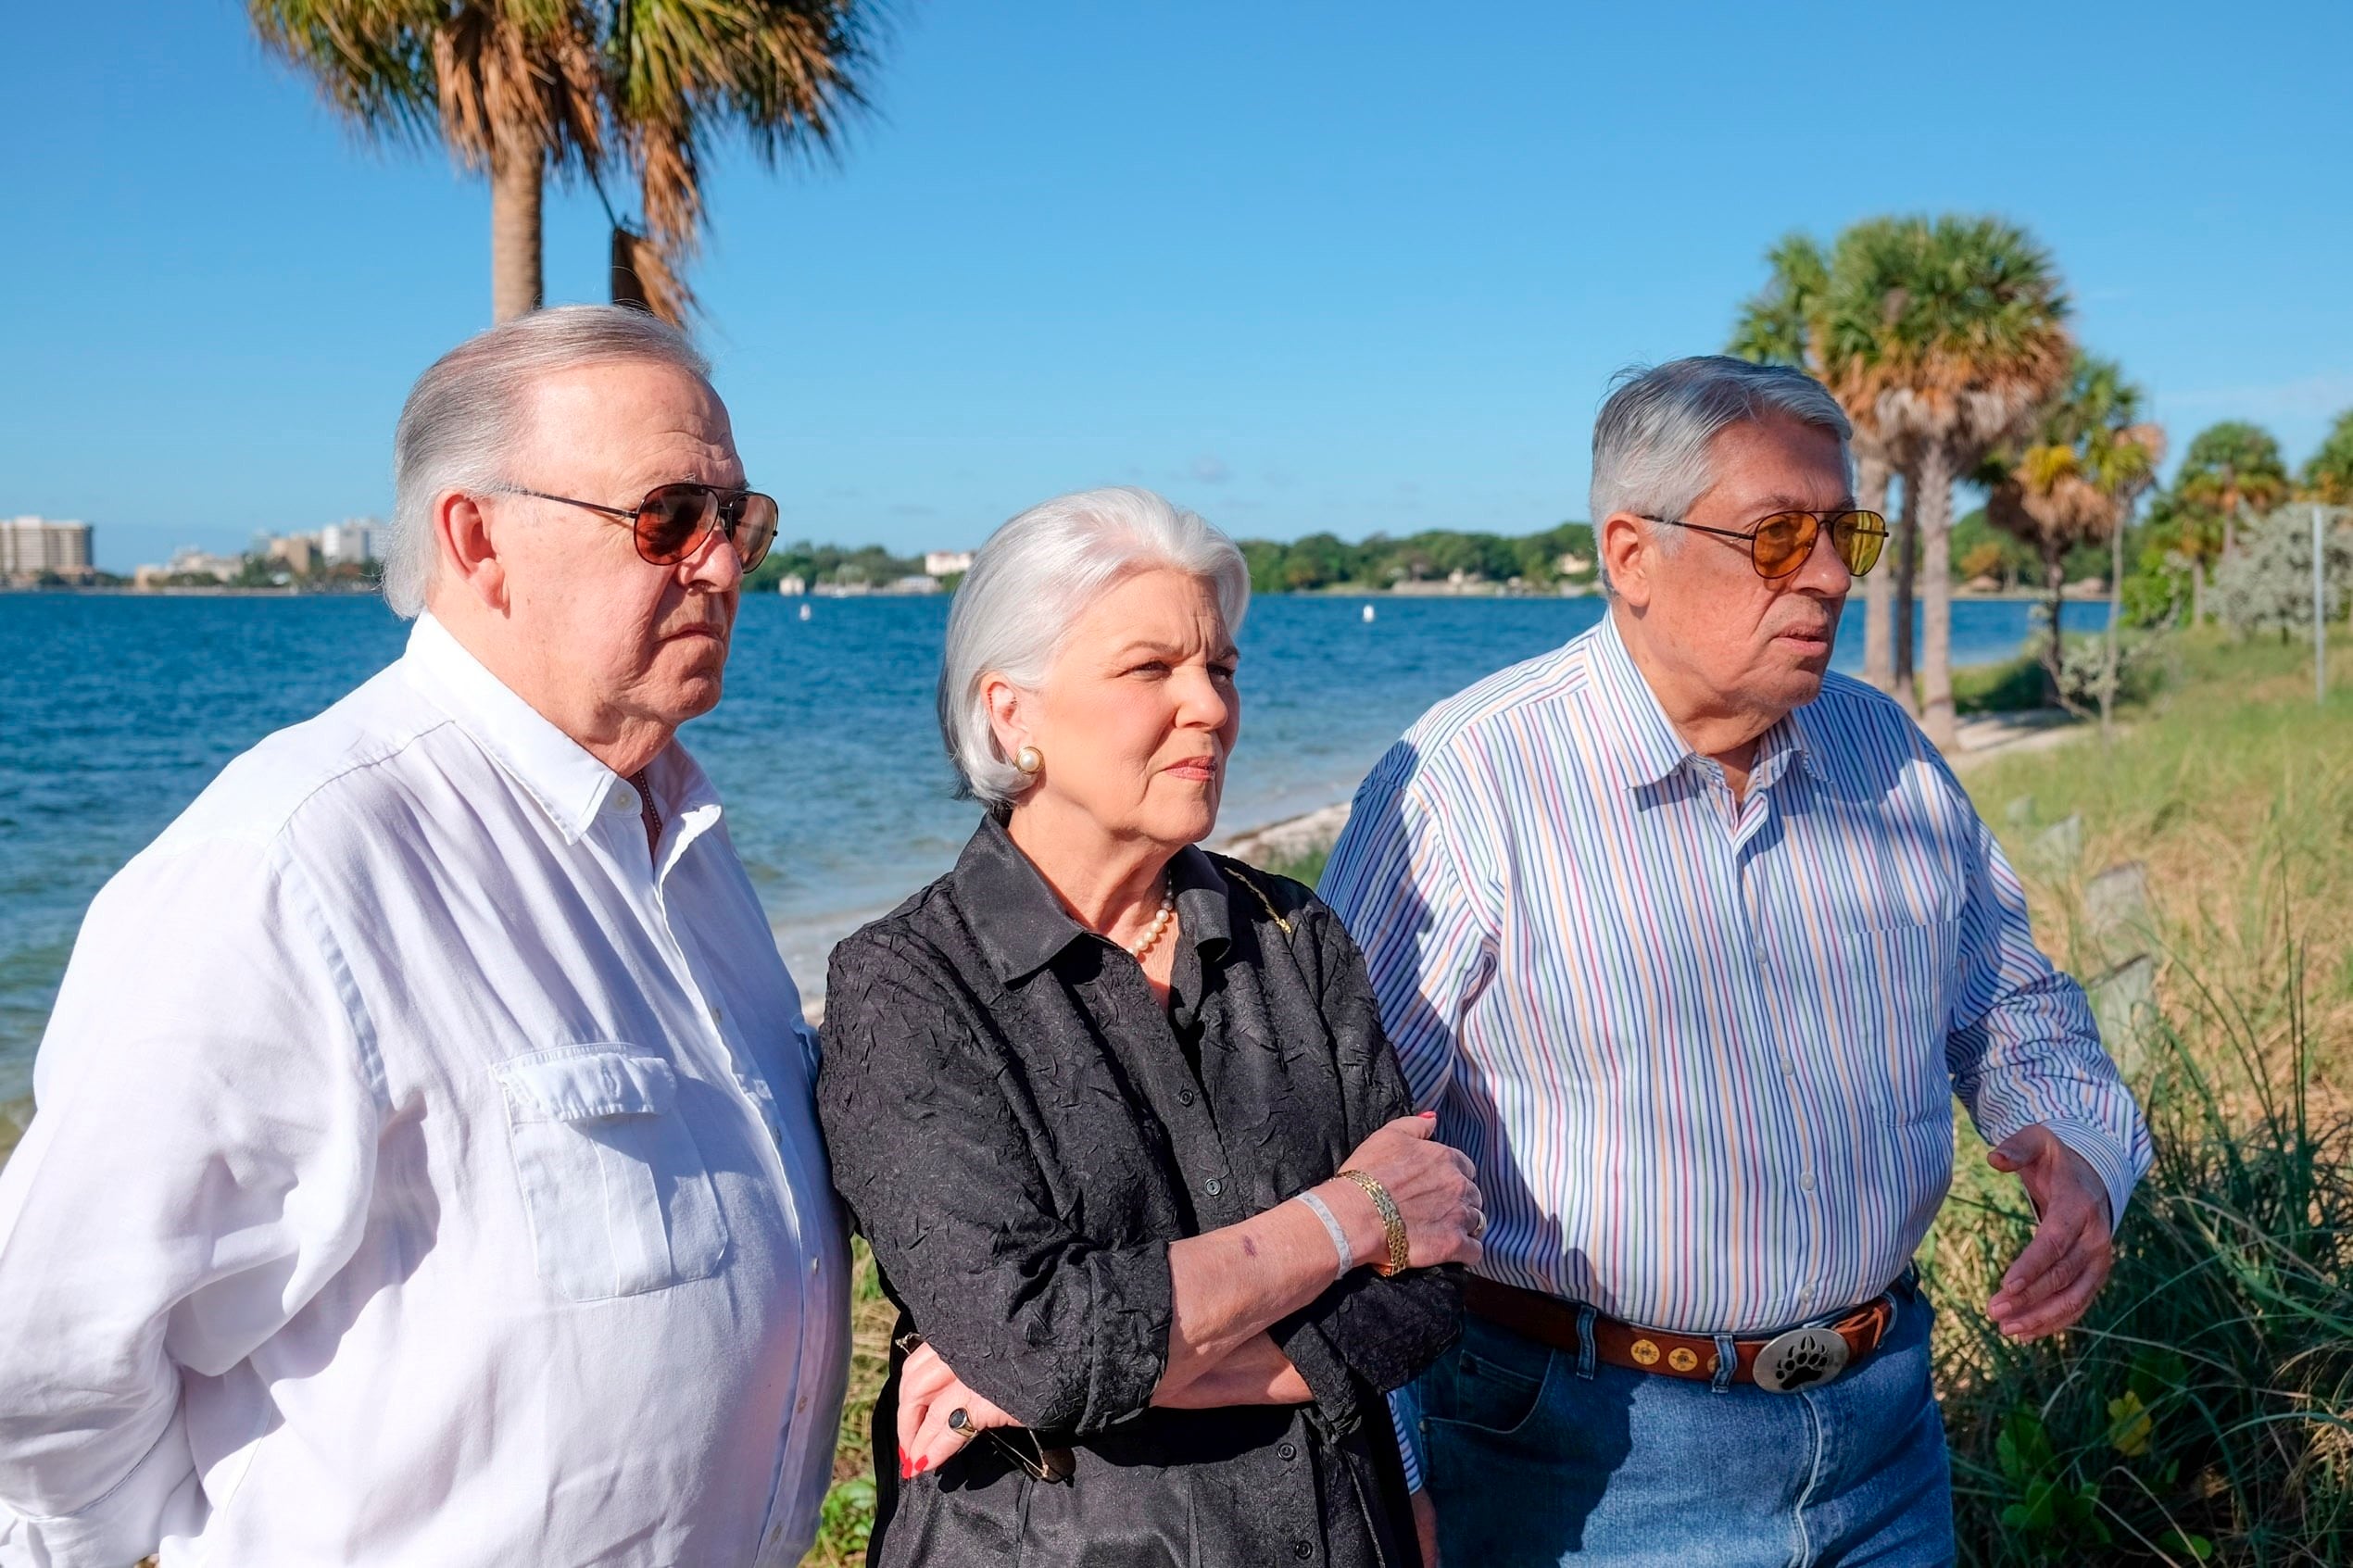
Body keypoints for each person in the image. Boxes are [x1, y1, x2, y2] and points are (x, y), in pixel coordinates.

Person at [0, 307, 849, 1567]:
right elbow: (49, 1368)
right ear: (478, 536)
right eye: (668, 516)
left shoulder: (682, 832)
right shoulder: (287, 872)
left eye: (740, 519)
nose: (724, 566)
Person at [1319, 357, 2155, 1566]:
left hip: (1883, 1441)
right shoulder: (1469, 785)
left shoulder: (1886, 750)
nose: (1824, 576)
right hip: (1575, 1463)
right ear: (1630, 553)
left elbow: (2014, 1001)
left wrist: (2081, 1146)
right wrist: (1387, 1483)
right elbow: (1347, 1153)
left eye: (1843, 533)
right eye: (1776, 536)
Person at [816, 486, 1477, 1568]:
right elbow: (1045, 1344)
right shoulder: (907, 987)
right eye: (1149, 669)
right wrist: (1348, 1218)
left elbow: (1422, 1298)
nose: (1209, 707)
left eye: (1218, 668)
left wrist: (1068, 1376)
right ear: (1011, 713)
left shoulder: (1290, 932)